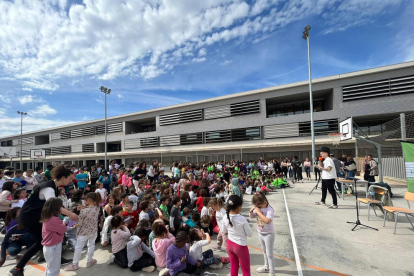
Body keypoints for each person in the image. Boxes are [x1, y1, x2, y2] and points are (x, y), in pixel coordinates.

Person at [64, 192, 101, 271]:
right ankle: (89, 261)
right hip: (93, 231)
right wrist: (83, 207)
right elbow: (90, 209)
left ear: (88, 200)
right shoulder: (97, 208)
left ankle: (75, 264)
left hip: (83, 233)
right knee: (91, 245)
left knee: (78, 248)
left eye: (84, 200)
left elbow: (79, 223)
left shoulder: (83, 211)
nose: (83, 202)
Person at [222, 195, 253, 276]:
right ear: (239, 207)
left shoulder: (225, 217)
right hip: (240, 246)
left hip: (230, 244)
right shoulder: (242, 219)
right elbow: (250, 234)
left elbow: (223, 231)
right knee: (246, 270)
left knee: (234, 266)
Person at [250, 193, 275, 276]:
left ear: (264, 202)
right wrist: (251, 212)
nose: (258, 207)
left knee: (270, 254)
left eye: (259, 205)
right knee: (264, 251)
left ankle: (272, 272)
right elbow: (252, 217)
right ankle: (266, 266)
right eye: (257, 206)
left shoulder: (269, 209)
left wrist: (258, 211)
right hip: (260, 232)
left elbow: (267, 221)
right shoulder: (259, 208)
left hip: (269, 234)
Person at [41, 198, 67, 276]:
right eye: (60, 206)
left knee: (50, 267)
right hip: (53, 246)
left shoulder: (47, 217)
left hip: (49, 247)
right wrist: (65, 223)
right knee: (54, 269)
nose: (61, 208)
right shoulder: (53, 219)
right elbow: (63, 229)